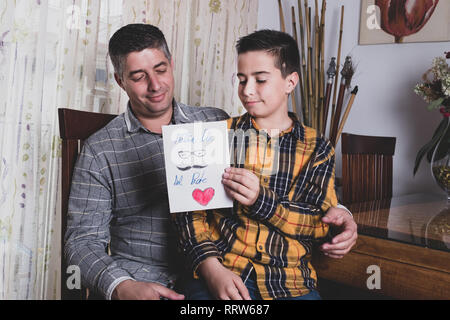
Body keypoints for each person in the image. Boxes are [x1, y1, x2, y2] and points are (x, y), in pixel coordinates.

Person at [65, 24, 357, 301]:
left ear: (172, 64)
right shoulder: (100, 150)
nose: (155, 85)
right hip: (149, 279)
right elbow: (81, 241)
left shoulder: (214, 124)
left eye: (160, 69)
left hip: (229, 270)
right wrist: (122, 286)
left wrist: (339, 212)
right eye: (139, 76)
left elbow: (286, 166)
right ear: (120, 81)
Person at [173, 29, 350, 300]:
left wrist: (261, 201)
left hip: (290, 282)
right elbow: (189, 216)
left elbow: (318, 224)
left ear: (290, 82)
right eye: (242, 80)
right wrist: (211, 269)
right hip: (222, 272)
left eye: (260, 80)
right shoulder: (215, 136)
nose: (248, 90)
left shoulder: (318, 147)